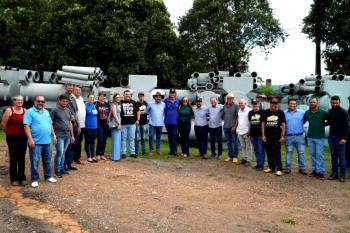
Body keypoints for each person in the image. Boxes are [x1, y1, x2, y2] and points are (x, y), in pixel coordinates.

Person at [23, 96, 57, 188]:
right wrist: (30, 139)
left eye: (42, 101)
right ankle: (34, 179)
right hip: (35, 142)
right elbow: (26, 126)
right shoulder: (30, 112)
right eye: (38, 101)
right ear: (34, 101)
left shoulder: (46, 112)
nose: (40, 103)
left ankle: (48, 176)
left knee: (47, 160)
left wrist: (54, 135)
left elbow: (50, 124)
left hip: (47, 142)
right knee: (35, 161)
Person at [1, 95, 27, 186]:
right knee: (13, 158)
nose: (20, 102)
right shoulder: (9, 110)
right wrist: (8, 133)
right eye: (18, 100)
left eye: (21, 100)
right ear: (14, 101)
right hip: (12, 138)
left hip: (23, 137)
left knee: (22, 158)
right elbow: (3, 124)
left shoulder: (25, 111)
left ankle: (22, 178)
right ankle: (14, 179)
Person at [51, 95, 75, 178]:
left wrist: (72, 135)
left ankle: (61, 169)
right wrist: (53, 135)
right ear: (59, 101)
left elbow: (70, 123)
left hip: (67, 135)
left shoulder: (68, 110)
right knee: (59, 153)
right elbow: (50, 123)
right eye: (63, 101)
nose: (65, 103)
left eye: (66, 101)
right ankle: (57, 170)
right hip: (59, 135)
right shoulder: (54, 111)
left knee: (63, 152)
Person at [326, 96, 349, 182]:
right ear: (331, 103)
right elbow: (329, 122)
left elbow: (347, 127)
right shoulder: (330, 111)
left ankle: (342, 175)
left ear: (340, 102)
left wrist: (344, 138)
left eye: (336, 103)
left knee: (341, 156)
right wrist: (320, 123)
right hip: (332, 136)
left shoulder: (344, 112)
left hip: (340, 138)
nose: (335, 104)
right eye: (333, 103)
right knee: (333, 155)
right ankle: (334, 173)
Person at [304, 97, 328, 178]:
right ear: (309, 103)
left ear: (317, 103)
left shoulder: (323, 113)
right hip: (310, 137)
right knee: (312, 154)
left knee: (319, 155)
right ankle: (314, 170)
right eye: (311, 102)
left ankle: (320, 171)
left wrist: (323, 125)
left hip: (319, 137)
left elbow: (330, 120)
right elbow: (303, 121)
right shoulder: (307, 113)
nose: (312, 103)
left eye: (314, 102)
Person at [261, 98, 286, 176]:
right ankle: (271, 167)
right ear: (270, 104)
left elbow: (283, 124)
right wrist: (263, 135)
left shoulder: (281, 112)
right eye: (272, 104)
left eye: (275, 104)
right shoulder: (266, 112)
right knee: (269, 152)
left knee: (277, 152)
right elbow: (263, 124)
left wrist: (282, 135)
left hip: (277, 136)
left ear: (277, 104)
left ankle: (279, 169)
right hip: (267, 136)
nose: (273, 106)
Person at [283, 98, 307, 175]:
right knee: (289, 152)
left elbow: (305, 120)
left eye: (294, 103)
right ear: (288, 104)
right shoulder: (284, 113)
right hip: (289, 136)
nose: (292, 105)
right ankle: (288, 168)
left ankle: (302, 168)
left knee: (301, 152)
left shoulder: (302, 112)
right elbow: (282, 124)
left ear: (296, 104)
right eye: (291, 103)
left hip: (299, 136)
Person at [120, 90, 140, 158]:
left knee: (131, 138)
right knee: (123, 138)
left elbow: (138, 111)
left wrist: (137, 120)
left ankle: (132, 152)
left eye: (128, 94)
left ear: (130, 95)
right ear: (123, 95)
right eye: (126, 94)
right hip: (123, 124)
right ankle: (123, 153)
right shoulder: (121, 102)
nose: (127, 95)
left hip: (132, 124)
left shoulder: (134, 102)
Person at [63, 83, 78, 171]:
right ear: (66, 88)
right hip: (67, 124)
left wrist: (78, 125)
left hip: (74, 124)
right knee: (67, 146)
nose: (70, 90)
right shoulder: (62, 97)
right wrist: (70, 116)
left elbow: (75, 112)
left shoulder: (73, 98)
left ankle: (69, 163)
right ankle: (63, 164)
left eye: (71, 88)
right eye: (69, 88)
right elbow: (62, 109)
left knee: (73, 145)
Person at [248, 99, 265, 171]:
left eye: (256, 104)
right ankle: (258, 164)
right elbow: (250, 123)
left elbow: (264, 124)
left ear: (259, 104)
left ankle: (261, 165)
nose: (255, 105)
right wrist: (249, 133)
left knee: (261, 149)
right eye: (254, 104)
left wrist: (264, 134)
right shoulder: (250, 113)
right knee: (256, 149)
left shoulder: (263, 112)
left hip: (260, 134)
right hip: (253, 134)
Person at [223, 93, 239, 163]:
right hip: (226, 127)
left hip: (233, 128)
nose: (229, 99)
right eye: (228, 98)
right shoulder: (224, 105)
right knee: (229, 143)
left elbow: (238, 117)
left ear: (233, 99)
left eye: (231, 98)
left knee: (235, 143)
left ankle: (235, 156)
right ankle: (230, 156)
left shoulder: (236, 106)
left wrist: (235, 126)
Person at [164, 88, 180, 155]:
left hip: (175, 121)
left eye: (173, 93)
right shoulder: (165, 101)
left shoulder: (178, 101)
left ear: (175, 94)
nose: (172, 94)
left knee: (174, 135)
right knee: (170, 136)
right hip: (167, 121)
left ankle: (175, 151)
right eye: (171, 93)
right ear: (169, 94)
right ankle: (171, 151)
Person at [236, 99, 252, 166]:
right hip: (240, 131)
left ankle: (248, 160)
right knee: (242, 146)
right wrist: (237, 129)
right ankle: (244, 158)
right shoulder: (239, 110)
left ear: (245, 103)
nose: (240, 104)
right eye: (239, 103)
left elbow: (251, 122)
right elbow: (238, 119)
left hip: (246, 131)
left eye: (242, 103)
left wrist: (249, 131)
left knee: (248, 146)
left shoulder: (249, 110)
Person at [73, 85, 86, 165]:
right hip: (76, 125)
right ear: (74, 90)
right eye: (77, 90)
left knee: (79, 142)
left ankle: (77, 158)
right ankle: (72, 158)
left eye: (79, 90)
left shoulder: (81, 98)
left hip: (82, 124)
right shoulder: (72, 99)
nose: (78, 91)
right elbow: (74, 113)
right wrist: (77, 125)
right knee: (74, 142)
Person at [95, 92, 110, 161]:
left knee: (104, 140)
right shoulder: (96, 104)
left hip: (105, 124)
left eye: (104, 96)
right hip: (99, 124)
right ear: (98, 97)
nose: (102, 97)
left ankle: (102, 154)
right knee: (100, 139)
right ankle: (97, 154)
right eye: (101, 96)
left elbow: (109, 113)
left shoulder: (107, 104)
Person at [84, 93, 98, 163]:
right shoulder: (85, 106)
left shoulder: (95, 105)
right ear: (88, 98)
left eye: (93, 97)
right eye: (90, 97)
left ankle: (93, 156)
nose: (92, 99)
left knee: (93, 142)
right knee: (88, 141)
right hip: (88, 126)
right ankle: (88, 156)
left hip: (95, 126)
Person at [110, 93, 122, 161]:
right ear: (114, 98)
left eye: (119, 97)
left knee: (118, 140)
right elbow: (114, 115)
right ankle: (114, 157)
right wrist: (119, 123)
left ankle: (116, 156)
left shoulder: (118, 104)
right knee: (115, 141)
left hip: (118, 123)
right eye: (117, 97)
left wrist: (120, 123)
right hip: (115, 124)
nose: (118, 98)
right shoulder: (113, 105)